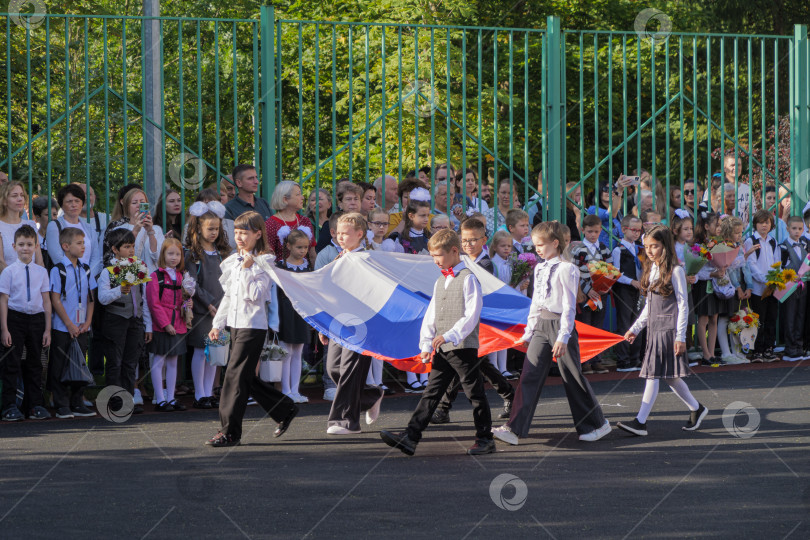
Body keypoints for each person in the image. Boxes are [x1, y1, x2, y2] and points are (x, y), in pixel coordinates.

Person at [493, 221, 611, 446]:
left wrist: (563, 336)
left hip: (560, 325)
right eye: (535, 244)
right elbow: (536, 302)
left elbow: (568, 305)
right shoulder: (539, 267)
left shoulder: (568, 268)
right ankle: (514, 429)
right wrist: (529, 332)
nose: (537, 248)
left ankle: (597, 424)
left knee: (572, 376)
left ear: (555, 243)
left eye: (541, 244)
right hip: (541, 326)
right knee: (529, 374)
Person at [380, 228, 495, 456]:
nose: (435, 261)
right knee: (432, 392)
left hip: (462, 347)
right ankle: (411, 437)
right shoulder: (440, 281)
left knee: (475, 393)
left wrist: (451, 334)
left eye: (438, 256)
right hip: (443, 347)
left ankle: (485, 438)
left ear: (454, 251)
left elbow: (472, 315)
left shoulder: (468, 278)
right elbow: (431, 314)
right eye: (432, 257)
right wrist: (425, 343)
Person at [205, 211, 299, 447]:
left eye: (244, 233)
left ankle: (229, 432)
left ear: (258, 234)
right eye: (236, 232)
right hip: (236, 325)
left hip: (253, 326)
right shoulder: (233, 260)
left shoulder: (265, 261)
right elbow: (229, 296)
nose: (239, 237)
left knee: (233, 379)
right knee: (244, 377)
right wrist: (218, 324)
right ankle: (285, 409)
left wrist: (248, 269)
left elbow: (256, 296)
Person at [617, 225, 708, 436]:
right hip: (655, 329)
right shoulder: (653, 268)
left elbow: (684, 305)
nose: (649, 250)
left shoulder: (676, 271)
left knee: (653, 375)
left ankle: (640, 422)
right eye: (646, 246)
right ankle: (697, 408)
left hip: (669, 329)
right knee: (669, 376)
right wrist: (636, 328)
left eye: (655, 246)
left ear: (665, 246)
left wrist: (680, 336)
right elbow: (650, 305)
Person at [430, 219, 515, 423]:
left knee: (464, 361)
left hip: (479, 321)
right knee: (473, 362)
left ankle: (443, 408)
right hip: (462, 323)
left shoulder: (485, 264)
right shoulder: (461, 262)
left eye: (473, 240)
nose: (467, 244)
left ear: (484, 240)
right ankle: (509, 394)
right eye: (464, 240)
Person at [319, 213, 384, 434]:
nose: (340, 237)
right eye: (338, 233)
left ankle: (344, 421)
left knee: (350, 369)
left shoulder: (367, 259)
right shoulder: (338, 258)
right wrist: (324, 324)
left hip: (360, 322)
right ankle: (370, 395)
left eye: (346, 233)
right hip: (338, 321)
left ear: (360, 234)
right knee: (333, 368)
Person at [97, 228, 152, 415]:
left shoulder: (138, 268)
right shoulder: (108, 272)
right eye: (126, 247)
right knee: (115, 362)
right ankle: (114, 402)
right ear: (115, 249)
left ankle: (127, 400)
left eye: (132, 246)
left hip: (134, 320)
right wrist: (119, 290)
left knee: (130, 363)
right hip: (115, 320)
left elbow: (143, 299)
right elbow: (102, 298)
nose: (131, 250)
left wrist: (147, 324)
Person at [0, 225, 52, 421]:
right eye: (21, 244)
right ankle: (9, 405)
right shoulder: (9, 272)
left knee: (35, 363)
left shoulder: (41, 272)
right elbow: (3, 300)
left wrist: (47, 329)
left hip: (37, 319)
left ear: (36, 246)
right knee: (11, 362)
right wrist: (4, 328)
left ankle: (34, 405)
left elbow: (46, 300)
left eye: (30, 244)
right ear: (14, 246)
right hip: (15, 318)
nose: (25, 248)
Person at [184, 201, 232, 409]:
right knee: (200, 349)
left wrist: (223, 305)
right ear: (198, 229)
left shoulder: (222, 253)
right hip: (202, 310)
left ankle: (209, 391)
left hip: (221, 308)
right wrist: (210, 304)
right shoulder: (193, 255)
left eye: (216, 229)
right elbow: (192, 283)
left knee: (214, 351)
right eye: (210, 229)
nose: (214, 233)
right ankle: (199, 393)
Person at [47, 226, 97, 419]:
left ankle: (77, 402)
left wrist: (88, 322)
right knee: (59, 363)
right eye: (79, 243)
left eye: (84, 242)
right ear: (66, 246)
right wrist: (68, 323)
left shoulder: (85, 269)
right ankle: (61, 404)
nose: (83, 246)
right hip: (62, 327)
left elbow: (90, 299)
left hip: (82, 326)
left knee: (79, 364)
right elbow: (55, 299)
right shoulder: (57, 270)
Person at [146, 238, 193, 412]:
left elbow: (183, 299)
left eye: (178, 254)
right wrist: (165, 324)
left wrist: (188, 305)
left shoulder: (182, 276)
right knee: (159, 360)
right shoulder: (155, 276)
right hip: (162, 325)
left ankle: (171, 397)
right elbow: (153, 304)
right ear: (163, 255)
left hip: (178, 323)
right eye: (170, 253)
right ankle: (160, 398)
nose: (174, 257)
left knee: (173, 361)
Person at [571, 213, 612, 374]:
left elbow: (610, 269)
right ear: (583, 230)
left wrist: (605, 287)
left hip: (601, 293)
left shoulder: (604, 248)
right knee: (585, 326)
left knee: (598, 327)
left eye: (596, 231)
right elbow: (575, 272)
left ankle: (597, 359)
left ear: (600, 230)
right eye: (589, 232)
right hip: (586, 294)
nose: (593, 235)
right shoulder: (578, 249)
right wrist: (588, 290)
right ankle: (585, 361)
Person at [275, 229, 313, 403]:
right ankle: (285, 390)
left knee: (298, 352)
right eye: (299, 247)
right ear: (288, 246)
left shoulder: (307, 266)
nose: (303, 251)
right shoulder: (280, 266)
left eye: (305, 247)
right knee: (286, 351)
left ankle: (295, 390)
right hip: (286, 311)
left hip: (302, 311)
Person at [743, 209, 781, 362]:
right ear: (755, 224)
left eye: (767, 223)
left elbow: (777, 263)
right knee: (759, 320)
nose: (764, 226)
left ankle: (769, 348)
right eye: (761, 223)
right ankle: (757, 350)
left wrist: (776, 280)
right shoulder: (751, 241)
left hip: (772, 288)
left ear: (771, 225)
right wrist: (766, 280)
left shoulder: (773, 241)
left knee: (772, 318)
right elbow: (751, 265)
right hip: (759, 289)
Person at [46, 184, 102, 278]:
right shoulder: (54, 226)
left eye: (77, 201)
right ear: (62, 204)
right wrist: (76, 276)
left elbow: (95, 258)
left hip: (88, 281)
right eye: (69, 201)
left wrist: (87, 276)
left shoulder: (89, 228)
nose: (74, 205)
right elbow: (57, 256)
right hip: (66, 279)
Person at [105, 187, 165, 273]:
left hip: (152, 279)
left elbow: (158, 257)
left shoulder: (156, 229)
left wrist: (150, 232)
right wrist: (135, 230)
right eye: (134, 202)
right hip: (129, 278)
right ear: (127, 207)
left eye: (142, 202)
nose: (138, 205)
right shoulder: (119, 229)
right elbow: (119, 257)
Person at [715, 216, 750, 364]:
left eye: (741, 232)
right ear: (728, 233)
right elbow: (730, 269)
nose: (739, 235)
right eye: (736, 232)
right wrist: (738, 288)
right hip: (730, 286)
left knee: (736, 318)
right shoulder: (725, 246)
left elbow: (745, 267)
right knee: (724, 318)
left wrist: (749, 286)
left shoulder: (739, 245)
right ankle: (726, 352)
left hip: (740, 285)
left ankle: (736, 351)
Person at [612, 215, 644, 372]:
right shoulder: (619, 249)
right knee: (625, 323)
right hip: (624, 289)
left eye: (639, 230)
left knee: (637, 322)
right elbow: (616, 274)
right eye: (633, 230)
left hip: (638, 289)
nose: (637, 233)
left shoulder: (639, 248)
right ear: (624, 230)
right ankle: (623, 360)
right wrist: (631, 281)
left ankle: (635, 358)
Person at [692, 211, 724, 366]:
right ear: (706, 226)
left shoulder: (719, 243)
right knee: (704, 318)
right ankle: (705, 353)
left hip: (715, 283)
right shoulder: (698, 245)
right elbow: (697, 270)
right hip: (704, 285)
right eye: (716, 225)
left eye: (719, 225)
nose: (719, 228)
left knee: (714, 318)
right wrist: (713, 273)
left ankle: (711, 352)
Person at [265, 180, 316, 265]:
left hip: (304, 272)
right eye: (298, 194)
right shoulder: (270, 224)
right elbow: (269, 257)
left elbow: (312, 254)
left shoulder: (304, 221)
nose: (302, 197)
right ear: (285, 199)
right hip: (281, 274)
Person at [779, 216, 808, 361]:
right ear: (788, 229)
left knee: (800, 315)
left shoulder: (804, 244)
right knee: (790, 315)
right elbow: (780, 267)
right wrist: (789, 277)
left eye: (800, 229)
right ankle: (790, 348)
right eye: (794, 228)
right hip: (789, 285)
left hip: (803, 285)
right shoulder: (783, 247)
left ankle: (798, 345)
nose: (797, 232)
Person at [0, 181, 44, 270]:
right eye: (14, 196)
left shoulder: (31, 225)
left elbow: (39, 261)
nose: (20, 199)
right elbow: (1, 262)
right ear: (4, 201)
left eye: (22, 195)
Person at [383, 187, 431, 255]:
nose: (426, 219)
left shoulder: (430, 237)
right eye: (422, 215)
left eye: (427, 215)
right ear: (411, 216)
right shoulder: (400, 239)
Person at [32, 196, 58, 268]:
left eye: (55, 214)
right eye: (47, 215)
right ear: (38, 217)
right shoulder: (34, 238)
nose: (52, 218)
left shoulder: (62, 237)